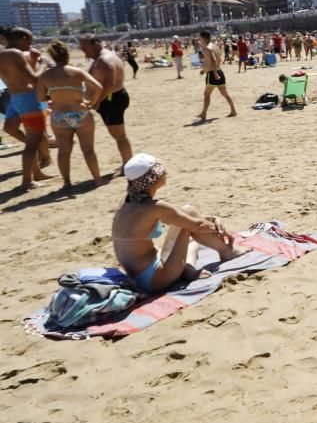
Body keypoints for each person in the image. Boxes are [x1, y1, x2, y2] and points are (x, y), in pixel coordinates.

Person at [113, 154, 249, 293]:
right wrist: (222, 229)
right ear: (151, 179)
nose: (165, 173)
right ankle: (227, 251)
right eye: (161, 171)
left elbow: (181, 216)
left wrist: (212, 220)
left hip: (139, 275)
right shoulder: (153, 207)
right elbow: (196, 225)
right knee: (189, 222)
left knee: (192, 236)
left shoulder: (128, 203)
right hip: (156, 278)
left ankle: (188, 269)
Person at [35, 40, 105, 189]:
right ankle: (98, 179)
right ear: (67, 55)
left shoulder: (46, 76)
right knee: (88, 150)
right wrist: (90, 102)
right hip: (79, 113)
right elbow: (98, 87)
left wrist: (53, 97)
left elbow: (40, 98)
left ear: (53, 57)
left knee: (63, 151)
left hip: (59, 116)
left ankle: (66, 182)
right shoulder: (76, 71)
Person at [0, 27, 53, 189]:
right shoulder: (15, 54)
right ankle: (27, 181)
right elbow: (34, 79)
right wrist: (42, 63)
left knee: (32, 139)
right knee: (33, 141)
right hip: (29, 99)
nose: (31, 44)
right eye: (30, 40)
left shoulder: (2, 53)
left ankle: (37, 173)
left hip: (16, 98)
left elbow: (17, 75)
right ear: (22, 39)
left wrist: (31, 61)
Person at [80, 36, 134, 170]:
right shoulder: (105, 57)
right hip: (112, 98)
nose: (83, 50)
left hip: (111, 99)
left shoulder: (104, 60)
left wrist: (97, 101)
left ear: (95, 43)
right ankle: (128, 162)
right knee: (119, 135)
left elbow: (110, 84)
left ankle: (128, 164)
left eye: (85, 47)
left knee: (119, 135)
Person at [196, 31, 237, 121]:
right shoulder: (214, 46)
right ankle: (233, 110)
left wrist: (214, 73)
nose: (200, 40)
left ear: (205, 38)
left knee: (206, 95)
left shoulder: (207, 48)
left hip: (213, 74)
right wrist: (204, 69)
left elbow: (213, 60)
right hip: (220, 72)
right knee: (224, 94)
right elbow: (218, 59)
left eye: (200, 38)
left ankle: (203, 114)